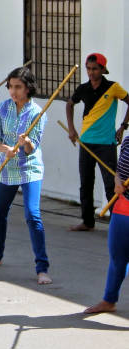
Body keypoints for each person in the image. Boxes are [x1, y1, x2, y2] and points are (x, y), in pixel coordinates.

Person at [0, 67, 51, 285]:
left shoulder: (37, 113)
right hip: (6, 167)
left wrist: (25, 142)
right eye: (11, 87)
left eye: (18, 87)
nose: (14, 91)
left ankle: (42, 268)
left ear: (28, 88)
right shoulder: (2, 108)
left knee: (32, 215)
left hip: (29, 169)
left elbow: (31, 148)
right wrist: (4, 148)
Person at [66, 53, 129, 231]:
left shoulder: (113, 87)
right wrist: (71, 129)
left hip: (106, 143)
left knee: (112, 184)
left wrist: (123, 127)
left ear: (102, 69)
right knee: (86, 182)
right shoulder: (83, 88)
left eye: (94, 69)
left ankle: (118, 223)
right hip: (85, 142)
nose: (91, 72)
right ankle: (87, 221)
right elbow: (70, 104)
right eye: (88, 68)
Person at [84, 135, 129, 313]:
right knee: (118, 257)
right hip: (122, 206)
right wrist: (117, 182)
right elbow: (119, 172)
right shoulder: (127, 141)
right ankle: (109, 300)